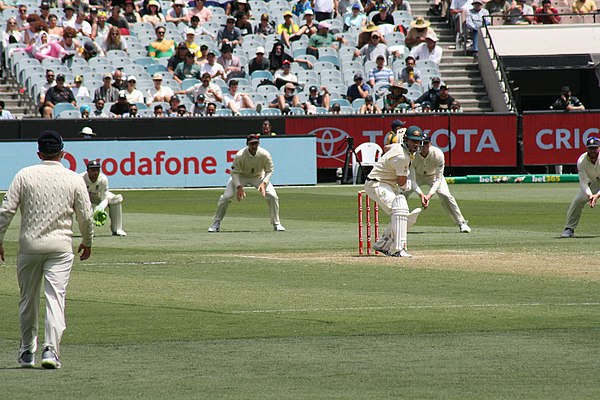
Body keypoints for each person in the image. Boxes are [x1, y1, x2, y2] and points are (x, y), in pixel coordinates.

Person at [0, 130, 94, 369]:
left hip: (29, 246)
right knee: (55, 299)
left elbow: (6, 211)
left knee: (27, 299)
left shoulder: (24, 174)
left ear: (39, 153)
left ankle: (26, 351)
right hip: (60, 247)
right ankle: (50, 350)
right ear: (62, 153)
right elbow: (85, 216)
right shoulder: (73, 178)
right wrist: (87, 241)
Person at [364, 126, 424, 257]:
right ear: (406, 140)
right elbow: (401, 182)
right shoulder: (402, 157)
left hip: (385, 184)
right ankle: (397, 249)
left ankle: (383, 244)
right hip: (377, 184)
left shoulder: (397, 147)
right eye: (413, 141)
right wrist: (406, 184)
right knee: (400, 212)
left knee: (402, 213)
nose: (416, 144)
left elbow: (387, 148)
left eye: (418, 141)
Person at [208, 134, 285, 233]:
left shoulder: (265, 154)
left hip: (258, 176)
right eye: (252, 144)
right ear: (247, 144)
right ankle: (216, 223)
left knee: (273, 196)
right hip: (241, 176)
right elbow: (234, 173)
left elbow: (270, 170)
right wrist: (239, 188)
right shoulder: (240, 155)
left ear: (259, 143)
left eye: (256, 143)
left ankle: (276, 223)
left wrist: (264, 183)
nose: (254, 146)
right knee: (226, 197)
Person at [407, 134, 471, 233]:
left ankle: (462, 223)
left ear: (430, 144)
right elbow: (412, 179)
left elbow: (438, 179)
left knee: (446, 195)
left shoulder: (438, 154)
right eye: (421, 143)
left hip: (433, 176)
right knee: (402, 193)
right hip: (417, 177)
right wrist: (421, 194)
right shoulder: (413, 156)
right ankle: (397, 223)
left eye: (426, 144)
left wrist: (428, 195)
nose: (423, 146)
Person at [561, 137, 600, 237]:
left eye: (594, 148)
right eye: (590, 148)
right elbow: (583, 181)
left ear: (598, 148)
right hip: (594, 185)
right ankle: (569, 229)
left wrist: (597, 196)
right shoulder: (582, 160)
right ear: (586, 149)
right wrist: (590, 195)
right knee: (577, 201)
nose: (592, 151)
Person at [81, 160, 127, 236]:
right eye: (92, 170)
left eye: (97, 170)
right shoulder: (80, 178)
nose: (95, 172)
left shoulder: (103, 179)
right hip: (85, 197)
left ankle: (117, 229)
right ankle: (85, 230)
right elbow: (80, 198)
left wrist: (100, 208)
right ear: (87, 171)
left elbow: (105, 198)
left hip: (98, 196)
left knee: (116, 199)